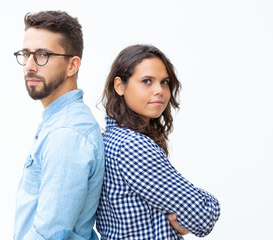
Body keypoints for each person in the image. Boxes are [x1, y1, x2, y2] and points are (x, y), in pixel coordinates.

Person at [96, 44, 220, 239]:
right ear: (119, 86)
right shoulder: (133, 146)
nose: (159, 91)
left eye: (164, 82)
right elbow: (202, 215)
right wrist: (193, 213)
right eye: (147, 81)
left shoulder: (110, 139)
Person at [13, 11, 105, 240]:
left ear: (72, 65)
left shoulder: (67, 133)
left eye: (43, 55)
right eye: (26, 54)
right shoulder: (59, 122)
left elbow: (51, 234)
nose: (30, 66)